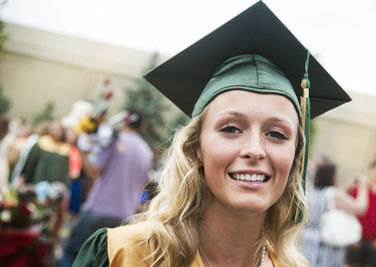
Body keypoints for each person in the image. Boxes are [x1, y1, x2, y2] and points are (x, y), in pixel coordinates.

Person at [73, 2, 351, 266]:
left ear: (295, 156)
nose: (255, 149)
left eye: (277, 134)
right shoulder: (122, 256)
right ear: (197, 147)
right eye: (231, 128)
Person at [58, 109, 153, 267]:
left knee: (72, 254)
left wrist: (78, 149)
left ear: (124, 121)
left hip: (99, 209)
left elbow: (94, 171)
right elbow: (144, 186)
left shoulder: (113, 140)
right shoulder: (147, 152)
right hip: (124, 217)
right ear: (142, 127)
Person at [302, 162, 368, 267]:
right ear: (331, 176)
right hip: (326, 246)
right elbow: (360, 208)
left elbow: (334, 198)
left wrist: (347, 184)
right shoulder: (333, 194)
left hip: (306, 242)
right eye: (337, 174)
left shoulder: (311, 192)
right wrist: (363, 186)